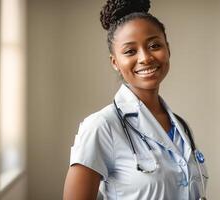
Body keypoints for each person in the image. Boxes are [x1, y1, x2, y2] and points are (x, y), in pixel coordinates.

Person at [63, 0, 208, 199]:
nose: (145, 58)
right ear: (115, 62)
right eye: (130, 51)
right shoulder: (101, 127)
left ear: (168, 49)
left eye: (154, 45)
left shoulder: (181, 127)